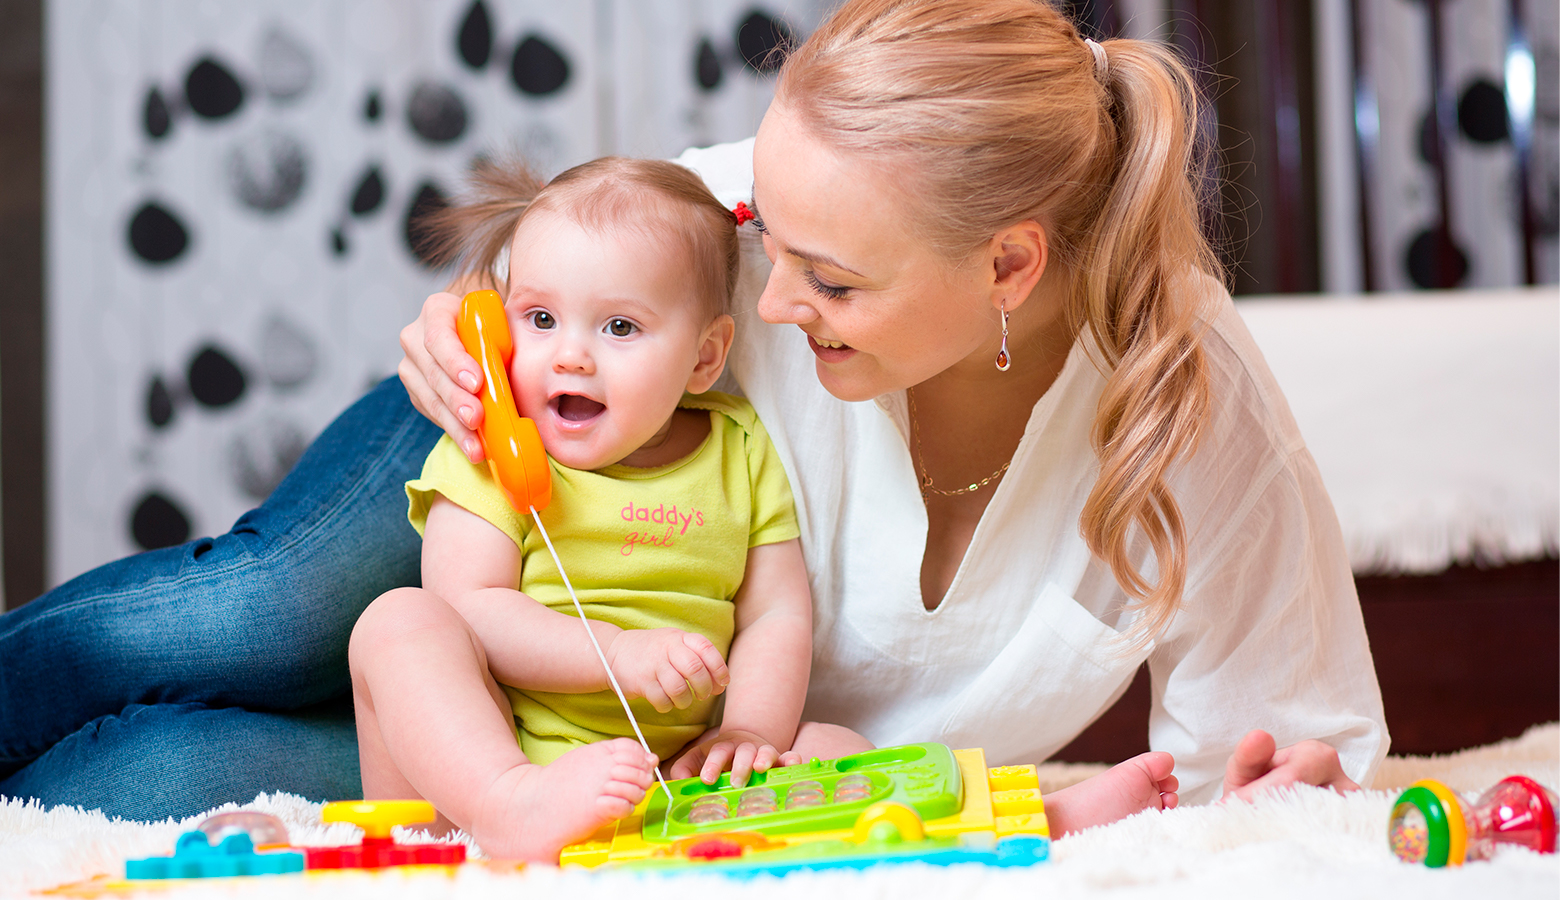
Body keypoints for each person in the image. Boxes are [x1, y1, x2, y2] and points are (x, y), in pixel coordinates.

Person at [0, 0, 1381, 823]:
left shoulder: (1178, 401)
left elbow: (1283, 750)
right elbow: (584, 254)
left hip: (629, 759)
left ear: (1010, 265)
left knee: (175, 769)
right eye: (763, 236)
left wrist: (1276, 795)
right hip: (535, 449)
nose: (770, 298)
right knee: (267, 616)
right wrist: (482, 314)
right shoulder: (749, 228)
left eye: (828, 278)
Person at [349, 156, 816, 859]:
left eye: (620, 328)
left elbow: (777, 613)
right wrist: (617, 656)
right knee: (397, 623)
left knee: (833, 744)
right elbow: (470, 606)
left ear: (704, 356)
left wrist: (748, 731)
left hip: (672, 774)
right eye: (539, 318)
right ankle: (507, 803)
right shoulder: (492, 450)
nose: (570, 355)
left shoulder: (739, 450)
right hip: (489, 760)